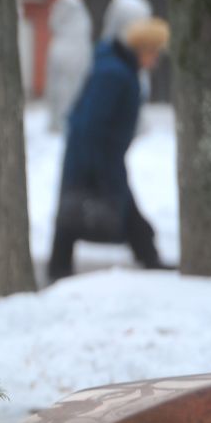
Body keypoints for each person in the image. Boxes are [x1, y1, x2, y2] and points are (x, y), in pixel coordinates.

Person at [47, 15, 171, 282]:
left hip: (93, 155)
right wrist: (101, 169)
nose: (157, 59)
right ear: (143, 49)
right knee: (84, 207)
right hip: (94, 156)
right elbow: (94, 123)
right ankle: (59, 269)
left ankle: (147, 256)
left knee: (78, 207)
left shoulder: (117, 69)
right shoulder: (116, 74)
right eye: (155, 52)